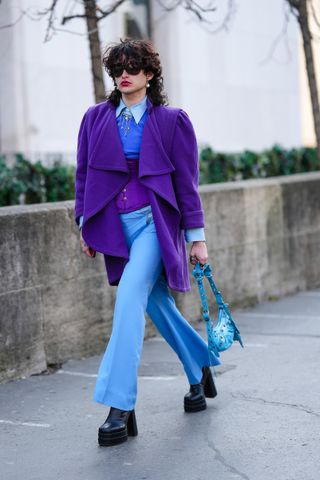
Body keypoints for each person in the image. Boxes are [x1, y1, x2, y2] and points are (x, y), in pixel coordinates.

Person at [74, 37, 221, 447]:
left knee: (127, 303)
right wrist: (85, 224)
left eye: (133, 68)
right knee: (154, 302)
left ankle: (120, 406)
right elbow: (84, 175)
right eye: (118, 68)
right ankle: (200, 368)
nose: (124, 74)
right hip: (113, 227)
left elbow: (186, 185)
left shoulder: (172, 121)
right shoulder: (94, 118)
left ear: (150, 75)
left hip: (154, 227)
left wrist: (196, 238)